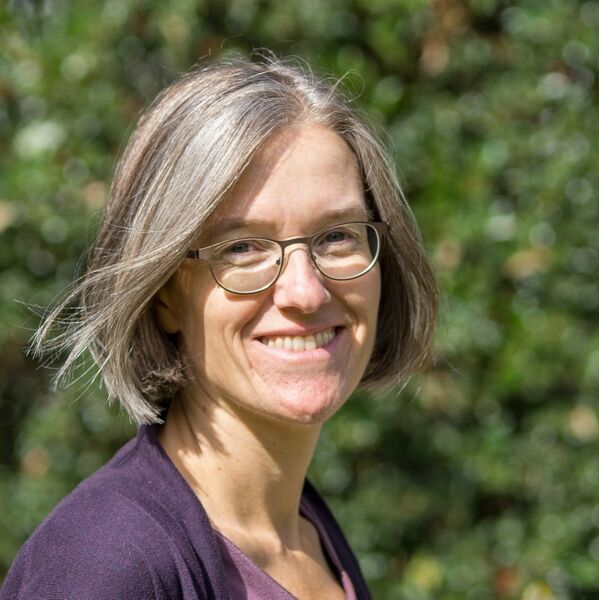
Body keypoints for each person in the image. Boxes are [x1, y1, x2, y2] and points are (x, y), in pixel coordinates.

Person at [1, 53, 437, 599]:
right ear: (163, 295)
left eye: (336, 236)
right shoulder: (106, 566)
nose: (305, 291)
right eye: (242, 248)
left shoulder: (305, 534)